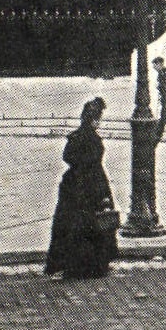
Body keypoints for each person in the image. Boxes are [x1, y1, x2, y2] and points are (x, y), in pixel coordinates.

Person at [45, 98, 120, 279]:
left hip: (73, 185)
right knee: (95, 225)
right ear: (93, 119)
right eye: (98, 118)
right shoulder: (93, 140)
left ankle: (68, 264)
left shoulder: (75, 137)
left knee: (71, 225)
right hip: (92, 185)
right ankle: (94, 265)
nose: (99, 122)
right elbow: (95, 164)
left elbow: (67, 157)